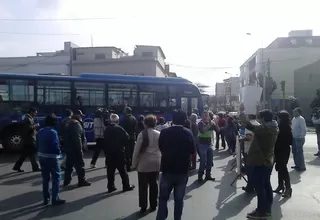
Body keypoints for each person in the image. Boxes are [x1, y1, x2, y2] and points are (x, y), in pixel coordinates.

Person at [156, 110, 195, 220]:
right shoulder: (188, 133)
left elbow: (161, 147)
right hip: (182, 170)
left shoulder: (164, 132)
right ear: (184, 120)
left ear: (173, 119)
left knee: (163, 199)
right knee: (179, 200)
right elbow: (192, 150)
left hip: (167, 169)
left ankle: (161, 218)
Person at [242, 109, 278, 219]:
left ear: (263, 118)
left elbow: (250, 126)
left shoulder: (265, 128)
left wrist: (243, 114)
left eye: (259, 117)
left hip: (260, 161)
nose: (258, 119)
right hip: (267, 160)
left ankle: (261, 212)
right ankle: (266, 210)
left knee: (260, 187)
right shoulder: (273, 126)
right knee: (266, 185)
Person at [132, 115, 161, 213]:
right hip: (156, 162)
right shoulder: (159, 134)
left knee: (143, 186)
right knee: (154, 184)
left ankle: (143, 205)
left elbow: (136, 151)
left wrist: (134, 164)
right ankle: (154, 204)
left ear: (145, 123)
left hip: (144, 163)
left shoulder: (142, 134)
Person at [37, 114, 65, 206]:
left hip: (41, 156)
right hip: (51, 158)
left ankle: (46, 198)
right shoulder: (53, 132)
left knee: (45, 178)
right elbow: (55, 146)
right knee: (56, 178)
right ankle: (55, 198)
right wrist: (60, 152)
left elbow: (37, 143)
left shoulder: (40, 131)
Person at [104, 114, 135, 193]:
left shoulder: (106, 129)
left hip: (109, 153)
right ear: (118, 121)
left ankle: (110, 186)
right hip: (119, 152)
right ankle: (126, 186)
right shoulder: (119, 129)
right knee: (122, 171)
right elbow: (127, 138)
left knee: (110, 171)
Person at [63, 113, 91, 187]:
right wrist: (80, 150)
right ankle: (82, 180)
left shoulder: (68, 124)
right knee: (80, 165)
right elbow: (77, 139)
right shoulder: (77, 125)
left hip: (68, 148)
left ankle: (66, 181)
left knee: (69, 166)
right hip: (75, 149)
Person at [13, 108, 41, 172]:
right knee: (32, 153)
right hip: (29, 139)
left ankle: (17, 166)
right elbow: (28, 129)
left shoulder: (28, 118)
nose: (35, 114)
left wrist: (35, 132)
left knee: (25, 154)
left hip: (28, 139)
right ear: (31, 112)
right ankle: (35, 167)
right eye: (35, 113)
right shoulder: (27, 119)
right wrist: (36, 125)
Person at [273, 110, 293, 198]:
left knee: (283, 169)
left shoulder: (283, 128)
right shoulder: (285, 127)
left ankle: (288, 188)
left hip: (282, 150)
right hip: (282, 150)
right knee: (280, 168)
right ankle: (280, 185)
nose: (277, 119)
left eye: (278, 117)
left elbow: (289, 141)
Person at [198, 111, 218, 182]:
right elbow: (203, 131)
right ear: (202, 116)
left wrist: (216, 123)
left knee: (210, 161)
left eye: (207, 116)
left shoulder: (211, 123)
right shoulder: (200, 123)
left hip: (209, 144)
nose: (205, 117)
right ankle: (200, 176)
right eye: (204, 116)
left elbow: (218, 130)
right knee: (203, 161)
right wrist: (210, 124)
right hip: (202, 144)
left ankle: (208, 175)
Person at [241, 114, 259, 193]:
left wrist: (241, 139)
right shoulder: (258, 124)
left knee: (249, 170)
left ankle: (250, 186)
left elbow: (249, 138)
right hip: (257, 150)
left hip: (249, 150)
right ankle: (256, 186)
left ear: (249, 118)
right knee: (256, 169)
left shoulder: (249, 125)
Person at [121, 107, 137, 171]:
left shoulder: (124, 119)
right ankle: (132, 165)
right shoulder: (134, 118)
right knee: (132, 151)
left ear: (126, 112)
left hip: (126, 137)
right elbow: (135, 128)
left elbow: (122, 129)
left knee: (127, 152)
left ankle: (128, 166)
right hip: (132, 136)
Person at [291, 107, 307, 171]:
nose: (294, 113)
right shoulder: (294, 119)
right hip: (294, 137)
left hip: (299, 138)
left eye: (295, 111)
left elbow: (303, 128)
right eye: (293, 111)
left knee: (299, 152)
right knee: (294, 152)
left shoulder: (301, 119)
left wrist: (301, 136)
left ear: (299, 112)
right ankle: (297, 165)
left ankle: (302, 166)